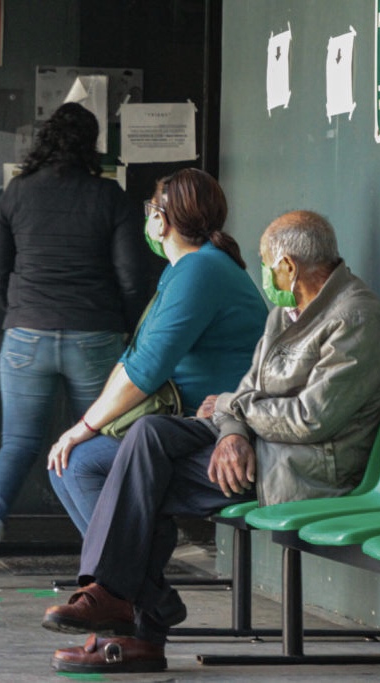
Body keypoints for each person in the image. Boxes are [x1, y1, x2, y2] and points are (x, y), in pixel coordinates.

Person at [42, 210, 380, 674]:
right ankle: (123, 602)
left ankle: (134, 622)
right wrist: (233, 431)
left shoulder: (355, 317)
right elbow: (247, 389)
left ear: (288, 266)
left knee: (140, 485)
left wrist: (236, 414)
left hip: (296, 464)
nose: (263, 272)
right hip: (255, 442)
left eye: (265, 262)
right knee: (149, 434)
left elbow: (309, 420)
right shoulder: (285, 311)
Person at [0, 102, 146, 585]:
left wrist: (18, 313)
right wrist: (125, 327)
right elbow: (130, 275)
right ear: (93, 145)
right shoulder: (110, 197)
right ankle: (107, 553)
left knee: (19, 442)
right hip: (94, 335)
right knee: (101, 441)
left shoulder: (17, 194)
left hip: (26, 334)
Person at [46, 168, 267, 538]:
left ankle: (131, 588)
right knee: (68, 463)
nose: (147, 217)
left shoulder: (202, 269)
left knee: (80, 464)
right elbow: (132, 358)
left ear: (161, 220)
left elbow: (146, 372)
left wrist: (83, 430)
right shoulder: (183, 270)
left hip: (217, 429)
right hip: (184, 427)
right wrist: (83, 427)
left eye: (151, 208)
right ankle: (131, 587)